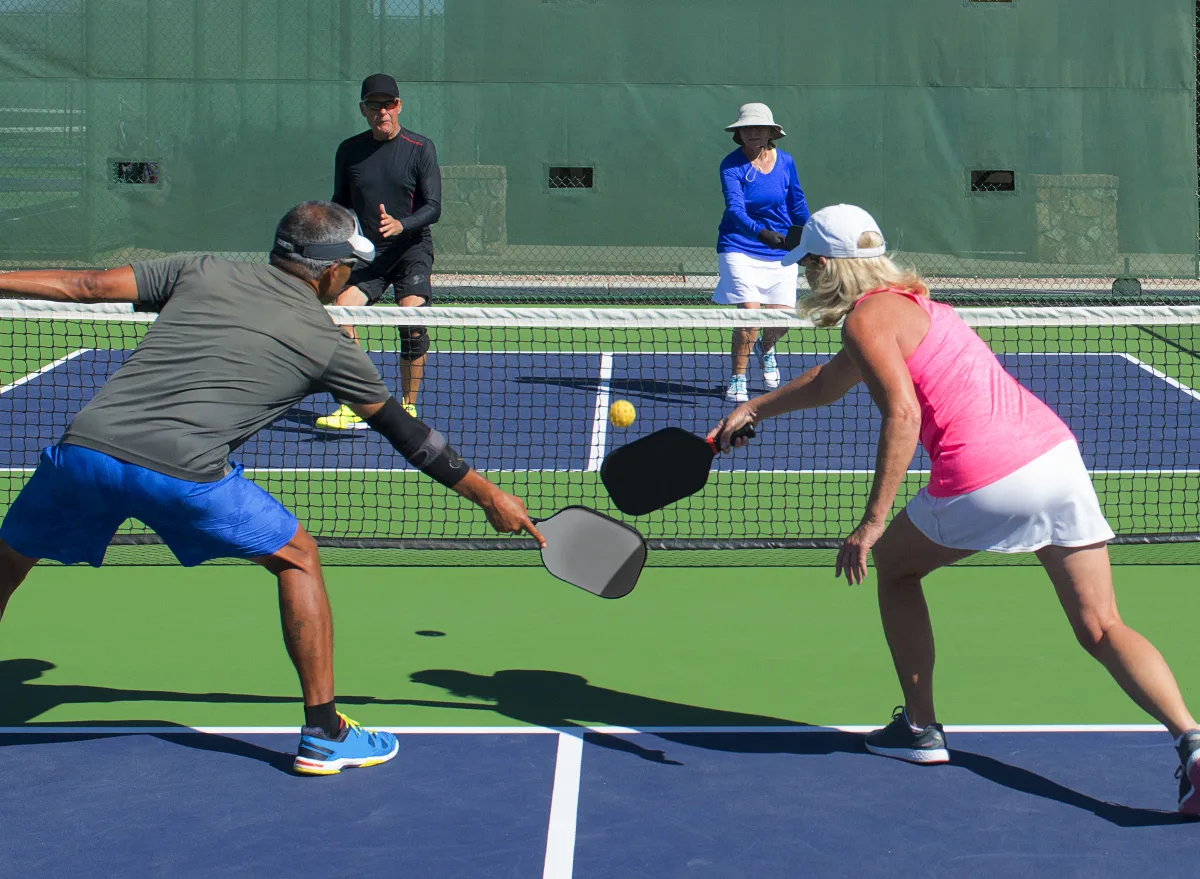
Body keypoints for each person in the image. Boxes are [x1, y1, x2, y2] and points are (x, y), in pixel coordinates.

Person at [0, 200, 545, 776]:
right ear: (330, 270)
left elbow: (83, 285)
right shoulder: (329, 343)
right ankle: (325, 733)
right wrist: (490, 497)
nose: (351, 278)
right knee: (298, 557)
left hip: (83, 451)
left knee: (8, 559)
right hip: (182, 473)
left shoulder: (200, 269)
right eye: (350, 268)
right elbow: (409, 435)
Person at [709, 203, 1200, 814]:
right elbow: (828, 382)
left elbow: (904, 415)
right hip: (1055, 457)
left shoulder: (865, 321)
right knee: (1102, 626)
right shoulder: (921, 307)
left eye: (808, 264)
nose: (807, 277)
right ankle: (1192, 742)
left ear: (829, 266)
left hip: (987, 474)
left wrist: (871, 523)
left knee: (895, 566)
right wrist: (755, 407)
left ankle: (920, 729)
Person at [318, 72, 442, 429]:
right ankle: (357, 404)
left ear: (399, 106)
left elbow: (433, 206)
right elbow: (340, 202)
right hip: (368, 255)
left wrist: (402, 224)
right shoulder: (349, 151)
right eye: (375, 106)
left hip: (411, 251)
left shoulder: (421, 149)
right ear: (364, 110)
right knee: (341, 313)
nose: (382, 112)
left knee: (411, 320)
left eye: (389, 105)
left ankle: (408, 406)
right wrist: (337, 236)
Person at [713, 102, 810, 403]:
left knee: (780, 321)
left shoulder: (786, 162)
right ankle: (738, 378)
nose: (753, 133)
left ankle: (766, 349)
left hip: (780, 249)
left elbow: (797, 203)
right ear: (739, 134)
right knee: (750, 316)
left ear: (771, 133)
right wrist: (764, 234)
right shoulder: (731, 166)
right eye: (747, 128)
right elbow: (736, 210)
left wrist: (808, 236)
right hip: (739, 245)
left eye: (759, 128)